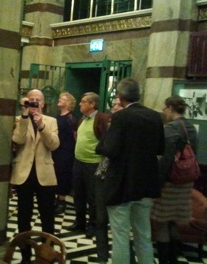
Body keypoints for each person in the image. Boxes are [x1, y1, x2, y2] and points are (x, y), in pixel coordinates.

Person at [96, 77, 165, 264]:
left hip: (122, 183)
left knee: (120, 235)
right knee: (143, 235)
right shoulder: (155, 116)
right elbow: (160, 148)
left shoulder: (120, 117)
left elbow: (110, 149)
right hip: (146, 183)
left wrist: (102, 145)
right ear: (139, 95)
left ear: (120, 96)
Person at [10, 89, 59, 264]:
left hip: (44, 176)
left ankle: (46, 253)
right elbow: (19, 140)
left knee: (47, 216)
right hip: (23, 174)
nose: (34, 103)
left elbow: (53, 145)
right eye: (31, 100)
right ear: (26, 102)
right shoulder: (18, 119)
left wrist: (41, 126)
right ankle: (25, 255)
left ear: (43, 103)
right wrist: (24, 117)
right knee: (23, 216)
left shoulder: (51, 121)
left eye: (37, 100)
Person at [151, 95, 198, 264]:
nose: (164, 112)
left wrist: (157, 182)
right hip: (185, 182)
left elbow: (165, 158)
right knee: (174, 222)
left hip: (170, 182)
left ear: (170, 108)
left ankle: (165, 260)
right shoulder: (190, 127)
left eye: (165, 109)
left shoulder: (171, 128)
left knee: (162, 223)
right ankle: (174, 258)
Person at [66, 92, 110, 241]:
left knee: (93, 197)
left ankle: (93, 226)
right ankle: (79, 223)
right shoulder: (82, 119)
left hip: (94, 164)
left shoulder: (101, 119)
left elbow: (107, 139)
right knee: (78, 194)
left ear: (92, 104)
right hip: (78, 162)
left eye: (83, 101)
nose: (80, 104)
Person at [93, 97, 124, 264]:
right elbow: (100, 148)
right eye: (114, 105)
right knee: (101, 221)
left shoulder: (128, 129)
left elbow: (108, 149)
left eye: (119, 104)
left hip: (119, 179)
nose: (115, 107)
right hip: (102, 175)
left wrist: (107, 148)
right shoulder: (111, 127)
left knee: (120, 227)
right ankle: (102, 258)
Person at [52, 92, 77, 215]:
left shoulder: (71, 118)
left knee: (63, 174)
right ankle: (55, 199)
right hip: (56, 150)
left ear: (69, 103)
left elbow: (75, 135)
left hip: (66, 151)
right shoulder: (58, 117)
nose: (60, 99)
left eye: (63, 99)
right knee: (55, 173)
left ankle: (61, 201)